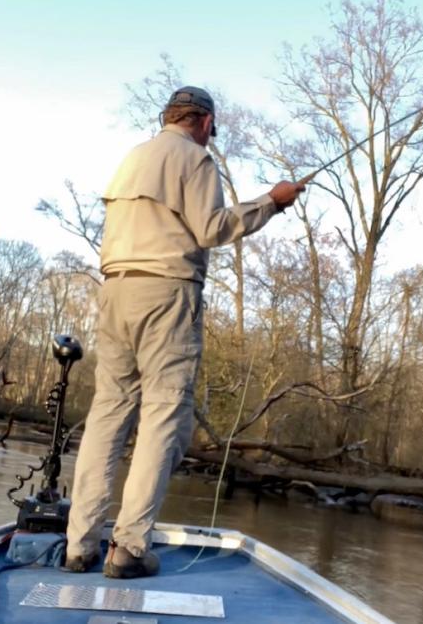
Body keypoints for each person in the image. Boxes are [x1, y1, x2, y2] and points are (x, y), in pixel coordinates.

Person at [65, 85, 305, 578]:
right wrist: (273, 202)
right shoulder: (195, 160)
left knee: (107, 417)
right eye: (213, 128)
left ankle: (78, 547)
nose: (213, 136)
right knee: (162, 418)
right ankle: (129, 549)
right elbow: (213, 229)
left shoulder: (132, 158)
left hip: (113, 293)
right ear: (203, 122)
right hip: (167, 295)